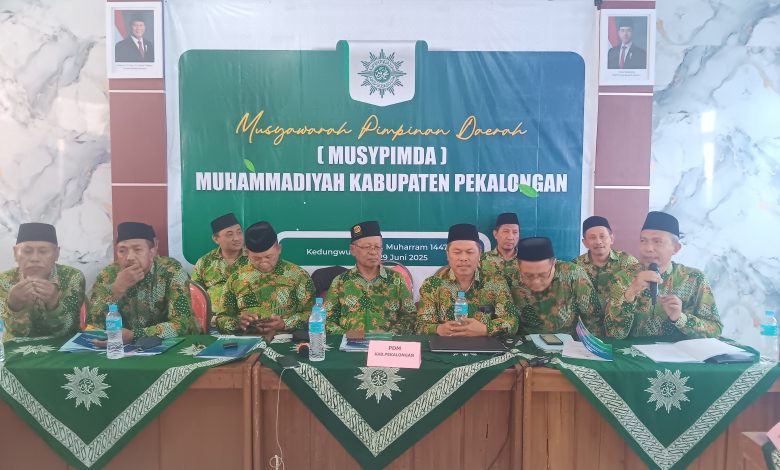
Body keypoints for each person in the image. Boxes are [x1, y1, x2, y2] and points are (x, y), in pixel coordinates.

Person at [604, 211, 722, 339]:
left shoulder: (694, 279)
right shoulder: (623, 278)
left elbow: (715, 330)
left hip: (679, 351)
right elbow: (613, 334)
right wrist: (630, 294)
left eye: (657, 242)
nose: (648, 248)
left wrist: (679, 318)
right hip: (633, 351)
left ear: (675, 248)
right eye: (643, 241)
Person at [88, 222, 196, 342]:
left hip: (167, 345)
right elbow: (92, 324)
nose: (129, 257)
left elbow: (182, 325)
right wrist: (116, 290)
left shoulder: (171, 271)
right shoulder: (108, 275)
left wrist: (135, 334)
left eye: (137, 249)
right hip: (122, 348)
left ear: (152, 251)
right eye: (122, 251)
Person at [417, 223, 517, 337]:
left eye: (470, 252)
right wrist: (438, 329)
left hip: (484, 345)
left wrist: (486, 329)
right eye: (457, 252)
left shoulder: (495, 282)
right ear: (448, 255)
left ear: (479, 254)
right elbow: (420, 326)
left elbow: (512, 321)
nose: (463, 258)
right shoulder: (432, 285)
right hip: (446, 344)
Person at [218, 221, 314, 336]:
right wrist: (238, 323)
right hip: (247, 340)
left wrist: (285, 324)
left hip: (285, 340)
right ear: (247, 253)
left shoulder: (298, 276)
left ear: (279, 249)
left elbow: (313, 315)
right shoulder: (236, 279)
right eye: (256, 258)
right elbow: (221, 318)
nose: (263, 262)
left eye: (268, 256)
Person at [324, 221, 416, 334]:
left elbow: (410, 317)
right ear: (352, 250)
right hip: (349, 343)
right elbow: (327, 320)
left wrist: (388, 335)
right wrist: (349, 335)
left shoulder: (396, 279)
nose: (373, 252)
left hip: (386, 344)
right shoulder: (340, 281)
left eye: (377, 247)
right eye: (367, 247)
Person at [0, 223, 85, 338]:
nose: (35, 258)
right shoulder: (4, 280)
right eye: (27, 251)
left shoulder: (72, 277)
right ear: (15, 253)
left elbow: (69, 331)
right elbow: (10, 335)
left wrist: (54, 304)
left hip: (64, 346)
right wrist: (14, 306)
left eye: (43, 251)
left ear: (56, 253)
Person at [511, 237, 602, 336]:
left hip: (569, 343)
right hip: (525, 342)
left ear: (553, 263)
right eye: (529, 275)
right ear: (518, 266)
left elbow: (594, 320)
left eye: (543, 275)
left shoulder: (573, 275)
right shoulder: (512, 279)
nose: (536, 282)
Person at [574, 216, 639, 308]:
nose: (598, 241)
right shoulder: (575, 266)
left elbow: (639, 296)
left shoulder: (628, 262)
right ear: (585, 242)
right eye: (592, 237)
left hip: (619, 315)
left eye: (602, 236)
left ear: (611, 238)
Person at [191, 213, 248, 317]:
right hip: (213, 320)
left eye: (239, 232)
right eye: (230, 234)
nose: (237, 238)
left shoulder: (254, 258)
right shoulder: (205, 262)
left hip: (247, 319)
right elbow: (195, 296)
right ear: (216, 239)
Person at [480, 212, 521, 285]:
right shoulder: (482, 260)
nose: (510, 237)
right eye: (506, 231)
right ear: (495, 234)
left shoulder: (527, 261)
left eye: (515, 232)